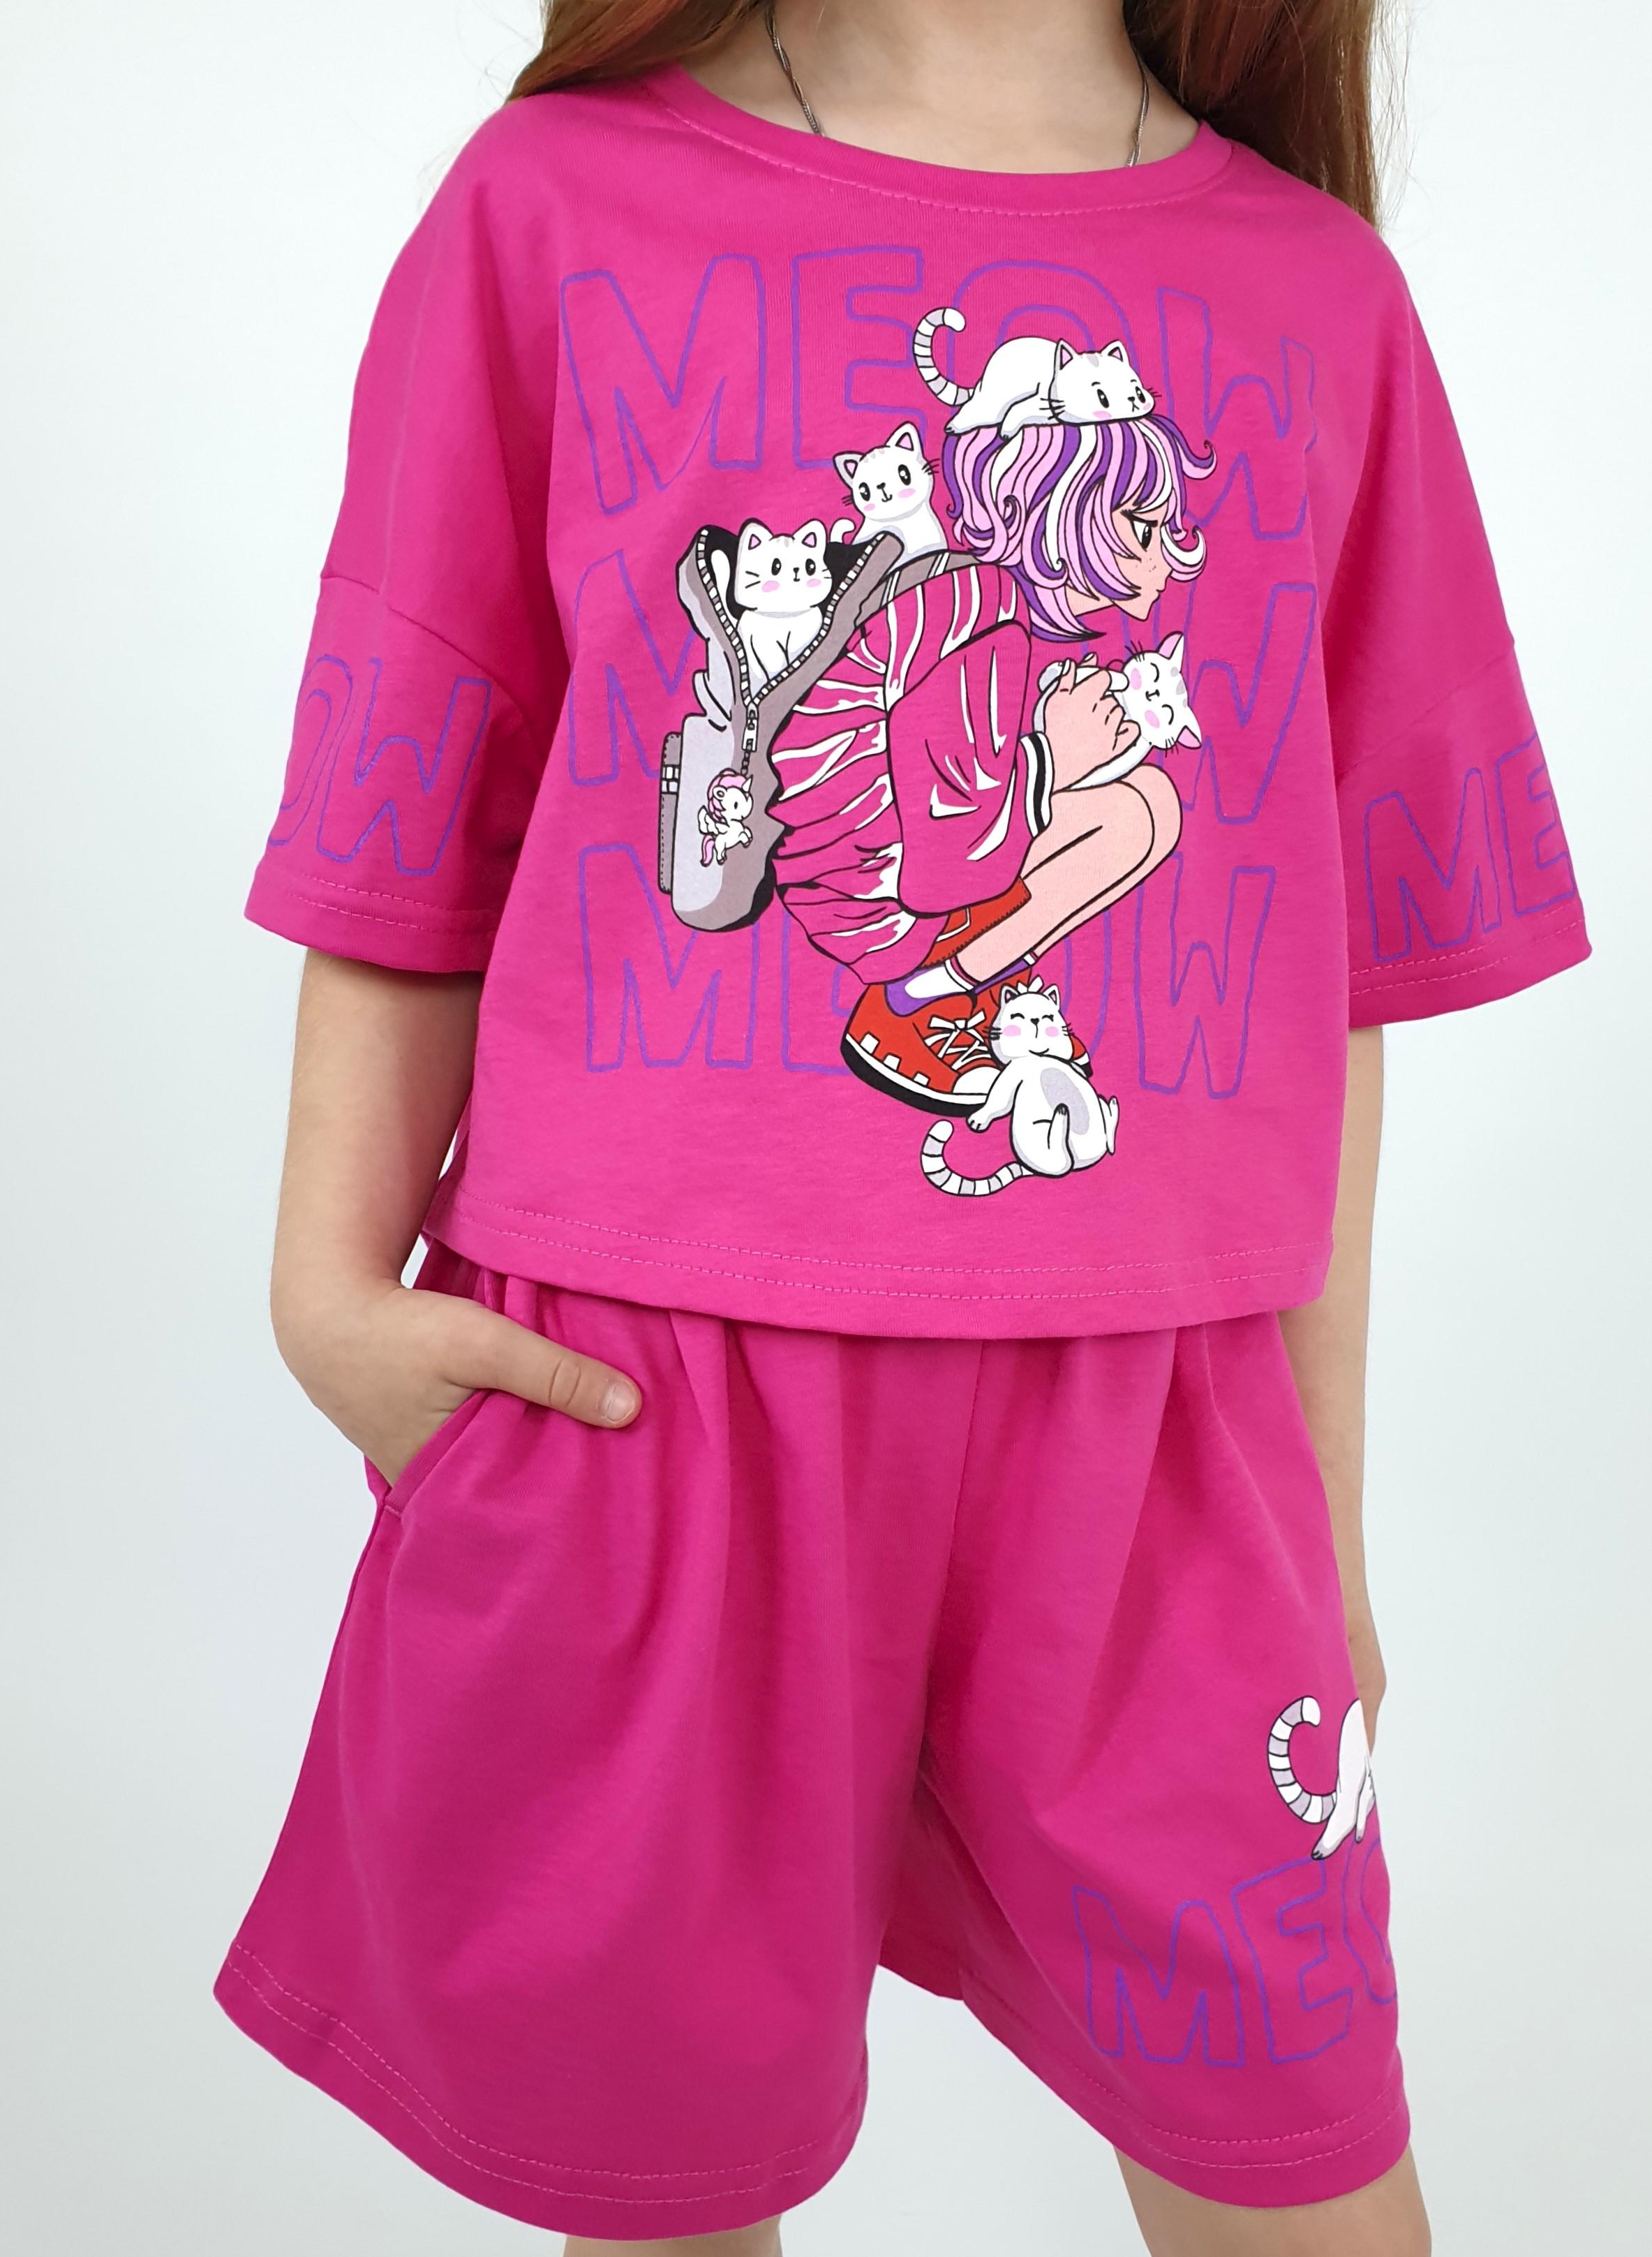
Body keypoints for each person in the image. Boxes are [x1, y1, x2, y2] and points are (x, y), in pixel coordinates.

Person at [216, 4, 1590, 2254]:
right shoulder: (555, 206)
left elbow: (1333, 969)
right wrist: (325, 1286)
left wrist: (1323, 1517)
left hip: (1155, 1458)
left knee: (1305, 2163)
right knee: (662, 2185)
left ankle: (955, 1001)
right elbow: (416, 763)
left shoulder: (1317, 294)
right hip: (649, 1403)